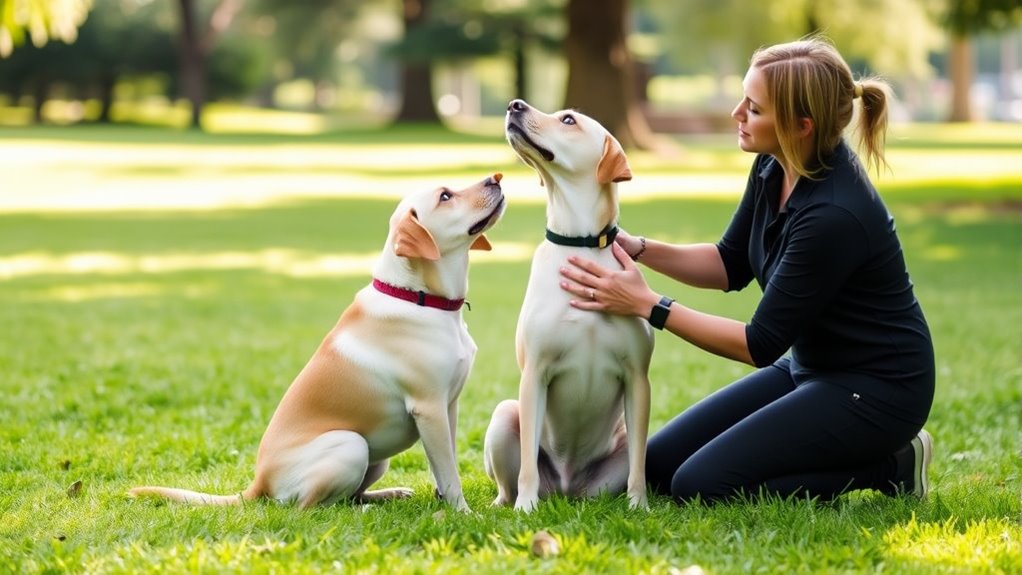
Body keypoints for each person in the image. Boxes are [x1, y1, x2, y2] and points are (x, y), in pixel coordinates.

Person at [557, 36, 935, 504]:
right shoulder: (773, 165)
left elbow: (758, 344)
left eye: (754, 108)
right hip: (809, 367)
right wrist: (638, 248)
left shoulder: (835, 215)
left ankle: (893, 465)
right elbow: (729, 262)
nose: (737, 113)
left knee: (702, 484)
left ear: (802, 126)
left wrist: (647, 305)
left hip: (878, 391)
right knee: (656, 467)